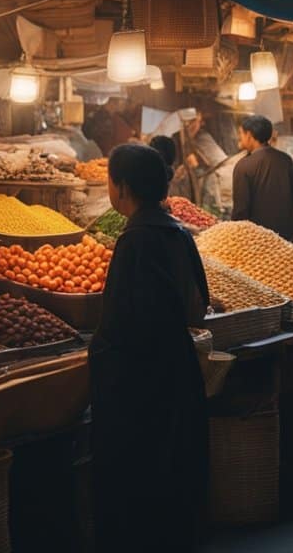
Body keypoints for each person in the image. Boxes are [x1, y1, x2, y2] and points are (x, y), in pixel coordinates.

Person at [90, 144, 210, 551]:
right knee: (174, 472)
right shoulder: (176, 231)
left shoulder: (135, 239)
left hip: (141, 380)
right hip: (176, 367)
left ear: (122, 187)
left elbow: (123, 320)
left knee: (139, 480)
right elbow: (198, 305)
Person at [232, 114, 293, 240]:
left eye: (241, 133)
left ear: (249, 135)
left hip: (258, 241)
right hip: (287, 236)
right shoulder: (285, 160)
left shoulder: (243, 166)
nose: (240, 138)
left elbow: (240, 211)